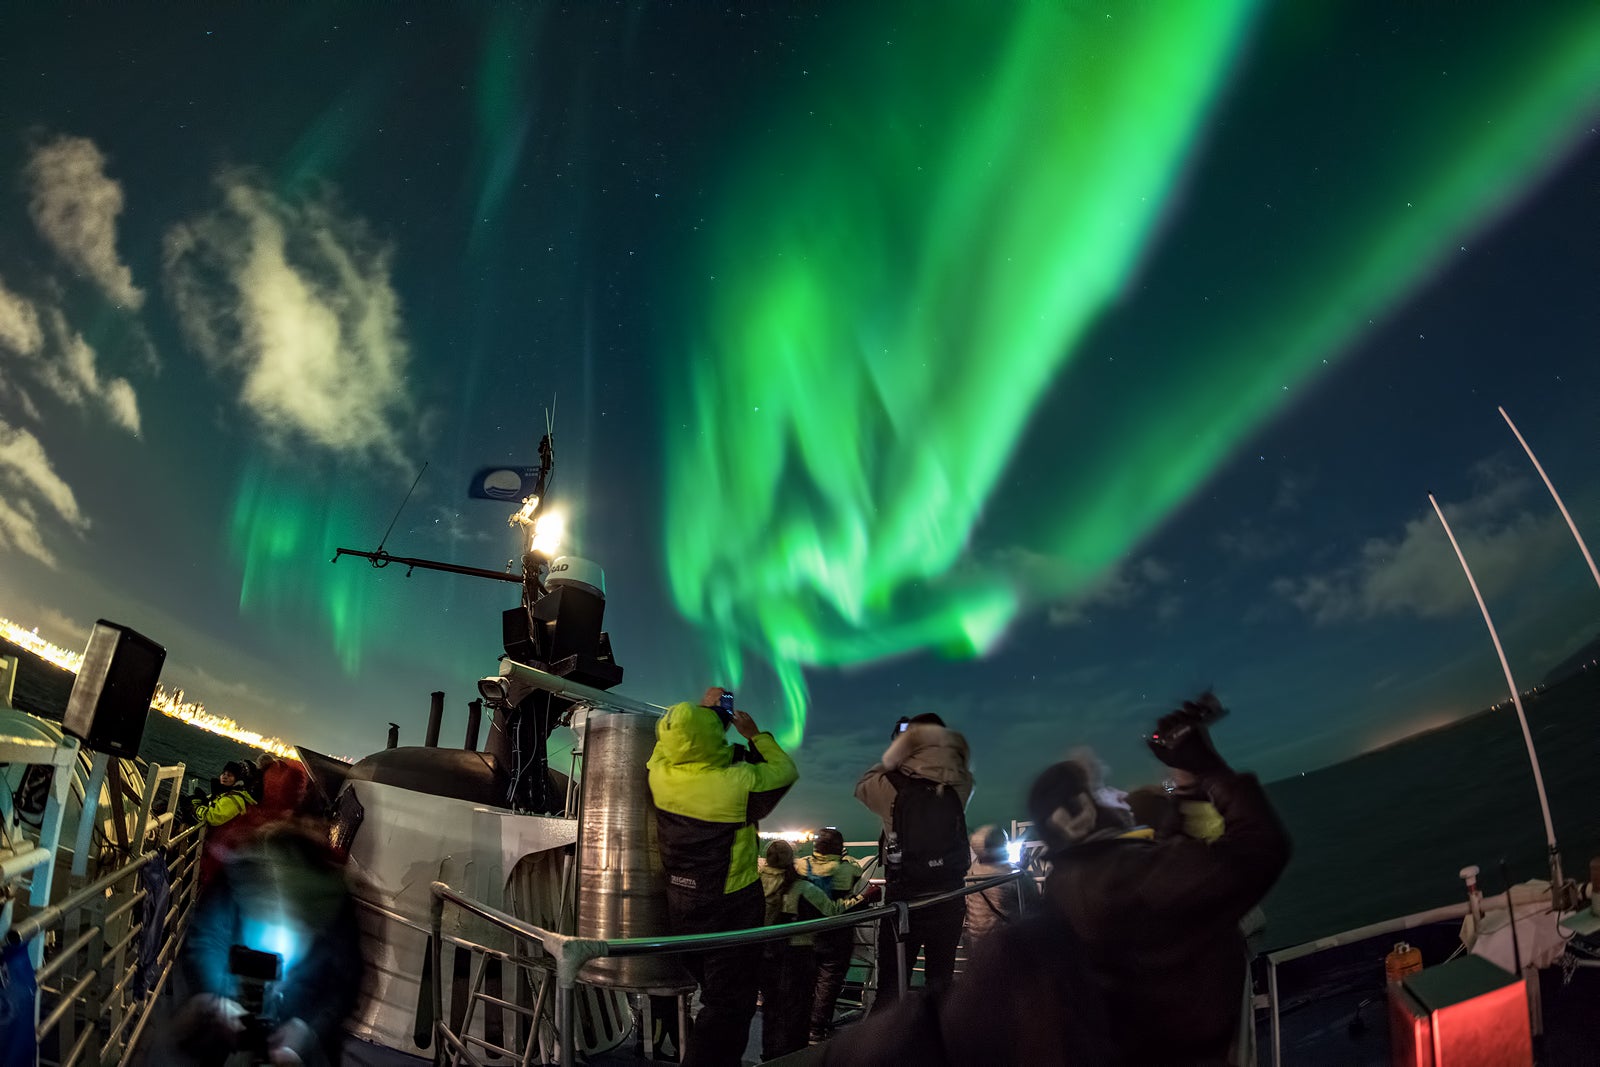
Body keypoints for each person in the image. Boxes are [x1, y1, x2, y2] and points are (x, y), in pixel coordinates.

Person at [1027, 693, 1291, 1066]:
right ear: (1076, 816)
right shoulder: (1127, 878)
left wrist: (1185, 782)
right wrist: (1209, 767)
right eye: (1102, 787)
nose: (1121, 795)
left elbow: (1165, 866)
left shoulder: (1072, 879)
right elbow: (1262, 847)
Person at [647, 687, 799, 1067]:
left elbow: (671, 745)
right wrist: (754, 734)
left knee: (710, 989)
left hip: (680, 903)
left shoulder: (660, 774)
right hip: (729, 904)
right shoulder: (738, 782)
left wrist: (698, 715)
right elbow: (784, 772)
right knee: (729, 1004)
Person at [178, 820, 365, 1066]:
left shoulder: (334, 904)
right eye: (259, 913)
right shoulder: (237, 876)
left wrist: (307, 1029)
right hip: (223, 1034)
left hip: (297, 1033)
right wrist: (218, 999)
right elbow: (205, 939)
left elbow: (344, 984)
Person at [854, 712, 973, 1008]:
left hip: (906, 899)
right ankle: (937, 1046)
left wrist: (896, 752)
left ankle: (887, 1050)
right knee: (940, 982)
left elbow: (862, 786)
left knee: (892, 987)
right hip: (950, 896)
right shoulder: (962, 783)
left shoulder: (890, 784)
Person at [758, 840, 878, 1060]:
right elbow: (833, 910)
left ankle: (769, 1055)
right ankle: (794, 1056)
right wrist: (864, 896)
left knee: (771, 1009)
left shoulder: (757, 882)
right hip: (797, 954)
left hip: (765, 955)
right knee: (797, 1010)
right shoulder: (801, 887)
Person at [796, 826, 865, 1042]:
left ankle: (799, 1025)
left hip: (803, 933)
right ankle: (816, 1029)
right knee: (829, 981)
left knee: (805, 980)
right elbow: (857, 874)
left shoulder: (801, 865)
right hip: (836, 935)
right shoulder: (848, 868)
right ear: (840, 848)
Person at [962, 824, 1040, 954]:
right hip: (1006, 945)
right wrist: (1023, 871)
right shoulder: (1012, 874)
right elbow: (1032, 903)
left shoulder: (972, 872)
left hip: (978, 946)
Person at [193, 761, 256, 828]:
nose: (225, 777)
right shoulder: (222, 793)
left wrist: (194, 808)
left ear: (237, 780)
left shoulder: (235, 799)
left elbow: (212, 817)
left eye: (229, 775)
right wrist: (203, 800)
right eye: (223, 774)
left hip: (221, 837)